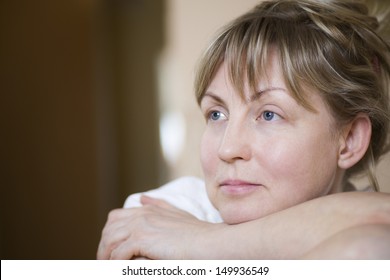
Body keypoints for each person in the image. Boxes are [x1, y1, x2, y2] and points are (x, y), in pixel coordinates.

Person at [97, 0, 390, 259]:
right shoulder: (163, 211)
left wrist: (200, 241)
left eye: (269, 115)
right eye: (216, 114)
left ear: (349, 140)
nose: (228, 148)